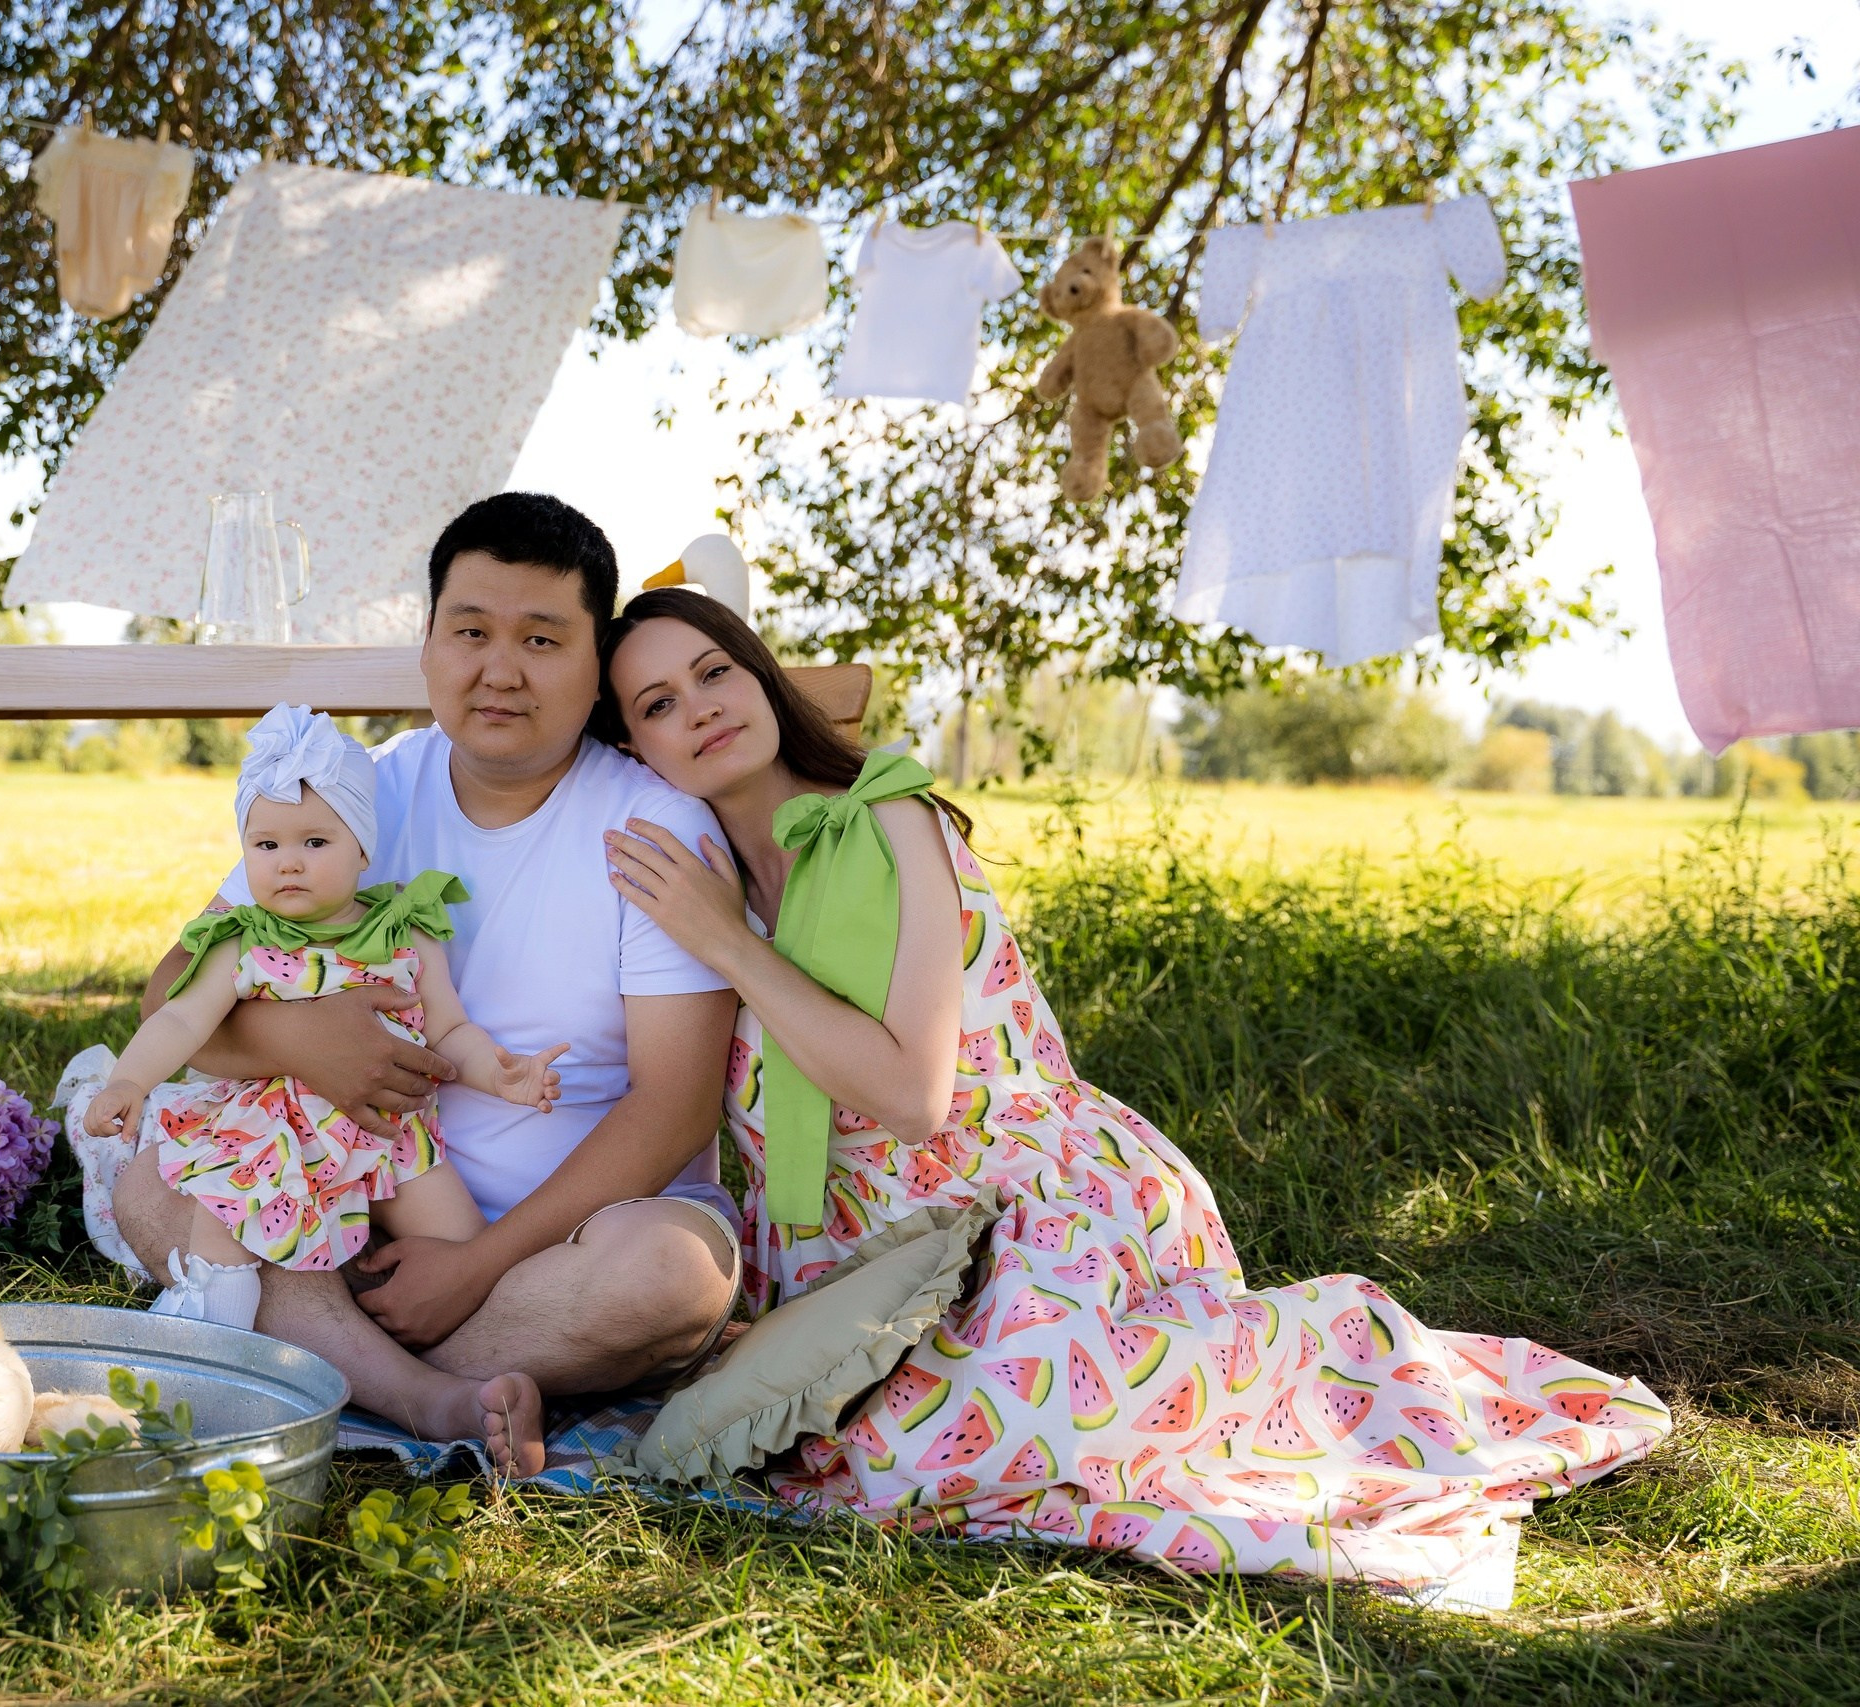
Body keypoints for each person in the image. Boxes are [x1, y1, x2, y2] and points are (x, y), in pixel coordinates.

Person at [596, 586, 1672, 1597]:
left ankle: (1345, 1355)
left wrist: (729, 945)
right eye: (658, 703)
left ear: (760, 676)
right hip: (846, 1249)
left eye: (714, 672)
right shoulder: (700, 885)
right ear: (635, 748)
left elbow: (915, 1099)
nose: (700, 708)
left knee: (962, 1450)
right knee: (845, 1461)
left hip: (1020, 1205)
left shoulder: (887, 818)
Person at [110, 494, 742, 1477]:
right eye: (471, 631)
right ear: (429, 642)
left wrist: (476, 1267)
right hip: (343, 1207)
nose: (500, 670)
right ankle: (431, 1392)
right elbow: (172, 997)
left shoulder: (655, 829)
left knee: (676, 1277)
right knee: (153, 1184)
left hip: (572, 1243)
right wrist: (301, 1041)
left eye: (542, 639)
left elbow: (675, 1107)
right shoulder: (355, 790)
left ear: (597, 665)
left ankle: (320, 1354)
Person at [54, 703, 567, 1334]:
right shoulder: (243, 943)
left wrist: (501, 1074)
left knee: (466, 1252)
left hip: (393, 1135)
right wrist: (129, 1081)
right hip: (274, 1136)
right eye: (266, 845)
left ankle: (477, 1341)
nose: (288, 862)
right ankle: (212, 1320)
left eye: (315, 843)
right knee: (226, 1221)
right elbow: (181, 1021)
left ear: (363, 850)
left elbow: (449, 1033)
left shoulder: (406, 936)